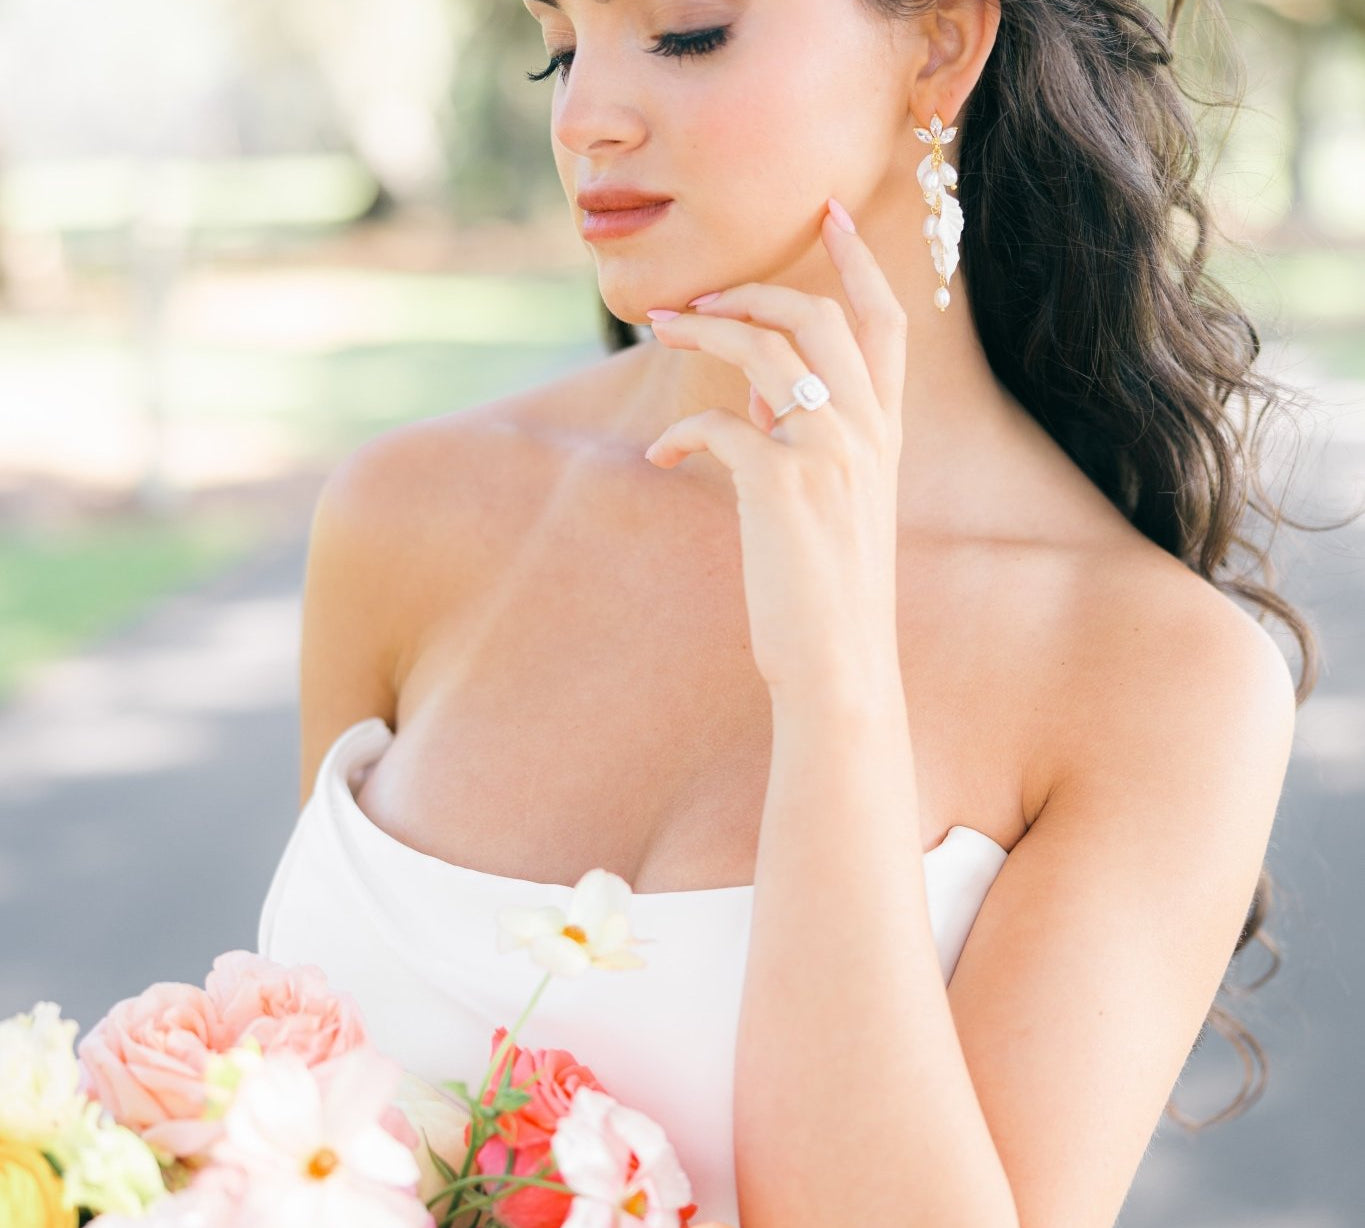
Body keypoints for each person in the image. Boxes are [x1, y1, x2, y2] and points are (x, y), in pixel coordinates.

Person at [256, 0, 1327, 1222]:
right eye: (558, 42)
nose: (582, 118)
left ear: (938, 45)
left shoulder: (1163, 682)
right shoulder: (408, 517)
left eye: (688, 33)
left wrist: (837, 679)